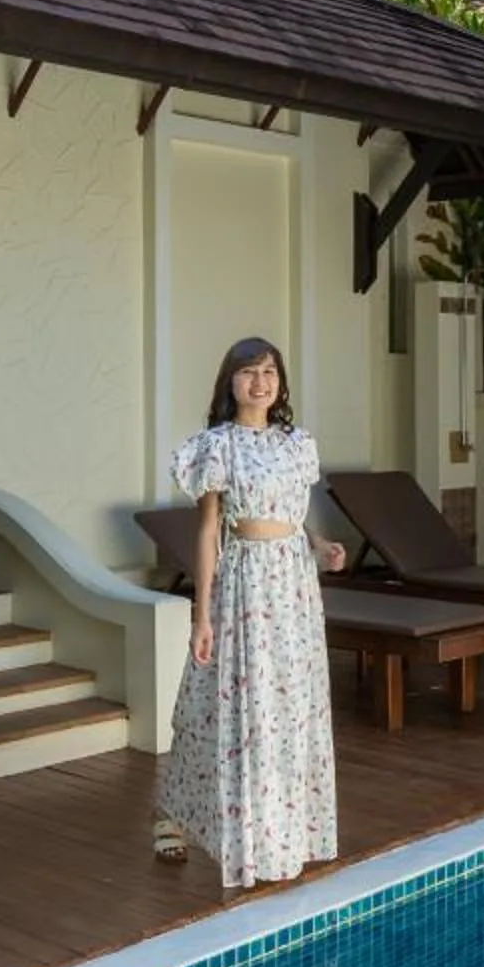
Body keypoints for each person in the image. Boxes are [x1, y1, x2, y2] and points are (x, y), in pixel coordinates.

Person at [153, 335, 347, 888]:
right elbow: (210, 531)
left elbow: (295, 517)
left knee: (289, 713)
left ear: (280, 382)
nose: (260, 382)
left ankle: (285, 832)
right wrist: (202, 614)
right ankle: (176, 812)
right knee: (235, 708)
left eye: (269, 371)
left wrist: (321, 547)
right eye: (247, 372)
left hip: (293, 588)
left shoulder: (297, 444)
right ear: (229, 382)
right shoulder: (216, 446)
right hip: (244, 586)